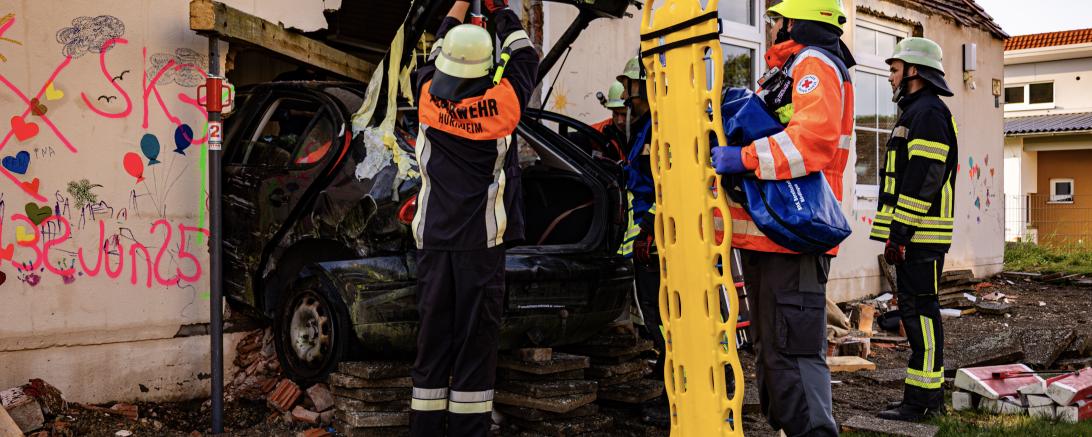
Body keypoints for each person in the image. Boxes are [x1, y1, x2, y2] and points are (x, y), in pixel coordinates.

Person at [710, 0, 855, 435]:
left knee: (792, 354)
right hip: (777, 235)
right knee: (775, 351)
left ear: (795, 21)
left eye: (776, 19)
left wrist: (745, 157)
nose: (772, 26)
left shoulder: (814, 64)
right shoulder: (794, 68)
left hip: (793, 236)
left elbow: (812, 140)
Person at [408, 0, 538, 435]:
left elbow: (435, 49)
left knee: (431, 345)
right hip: (480, 247)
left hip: (433, 241)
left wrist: (461, 3)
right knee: (474, 347)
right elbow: (525, 56)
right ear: (487, 72)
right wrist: (499, 8)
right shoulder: (502, 106)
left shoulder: (427, 96)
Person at [871, 37, 957, 422]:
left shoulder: (928, 114)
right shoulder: (917, 113)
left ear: (914, 72)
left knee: (921, 314)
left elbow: (923, 179)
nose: (890, 77)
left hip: (921, 237)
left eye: (894, 70)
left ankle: (921, 403)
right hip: (915, 236)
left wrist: (900, 234)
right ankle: (924, 399)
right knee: (917, 314)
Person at [589, 80, 628, 162]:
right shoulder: (595, 132)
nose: (620, 121)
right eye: (615, 113)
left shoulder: (649, 135)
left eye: (624, 114)